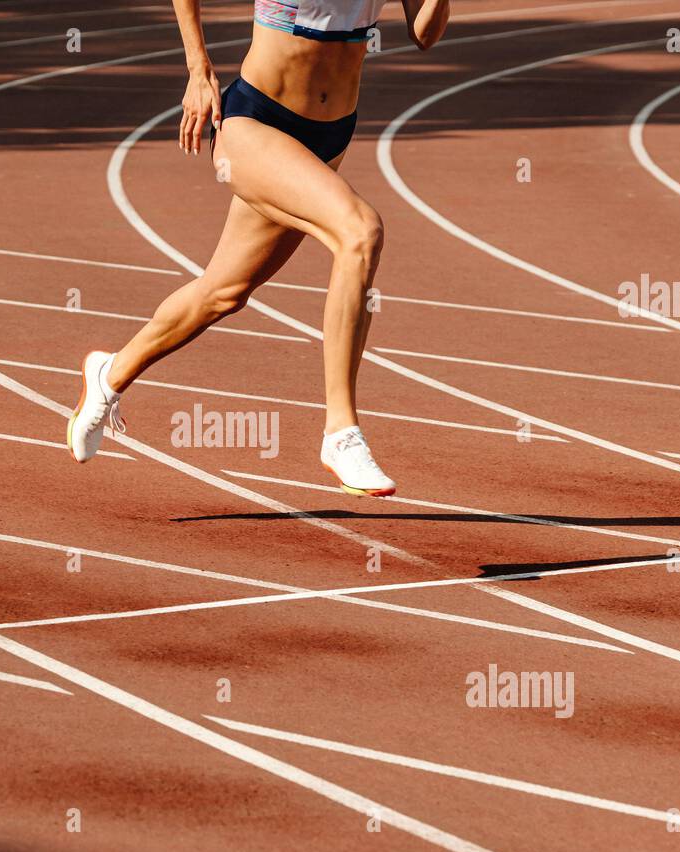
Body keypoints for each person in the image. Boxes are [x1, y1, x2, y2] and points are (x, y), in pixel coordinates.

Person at [68, 0, 450, 496]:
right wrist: (197, 67)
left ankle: (108, 373)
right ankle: (341, 431)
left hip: (328, 135)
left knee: (224, 292)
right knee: (360, 232)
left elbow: (425, 33)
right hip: (257, 121)